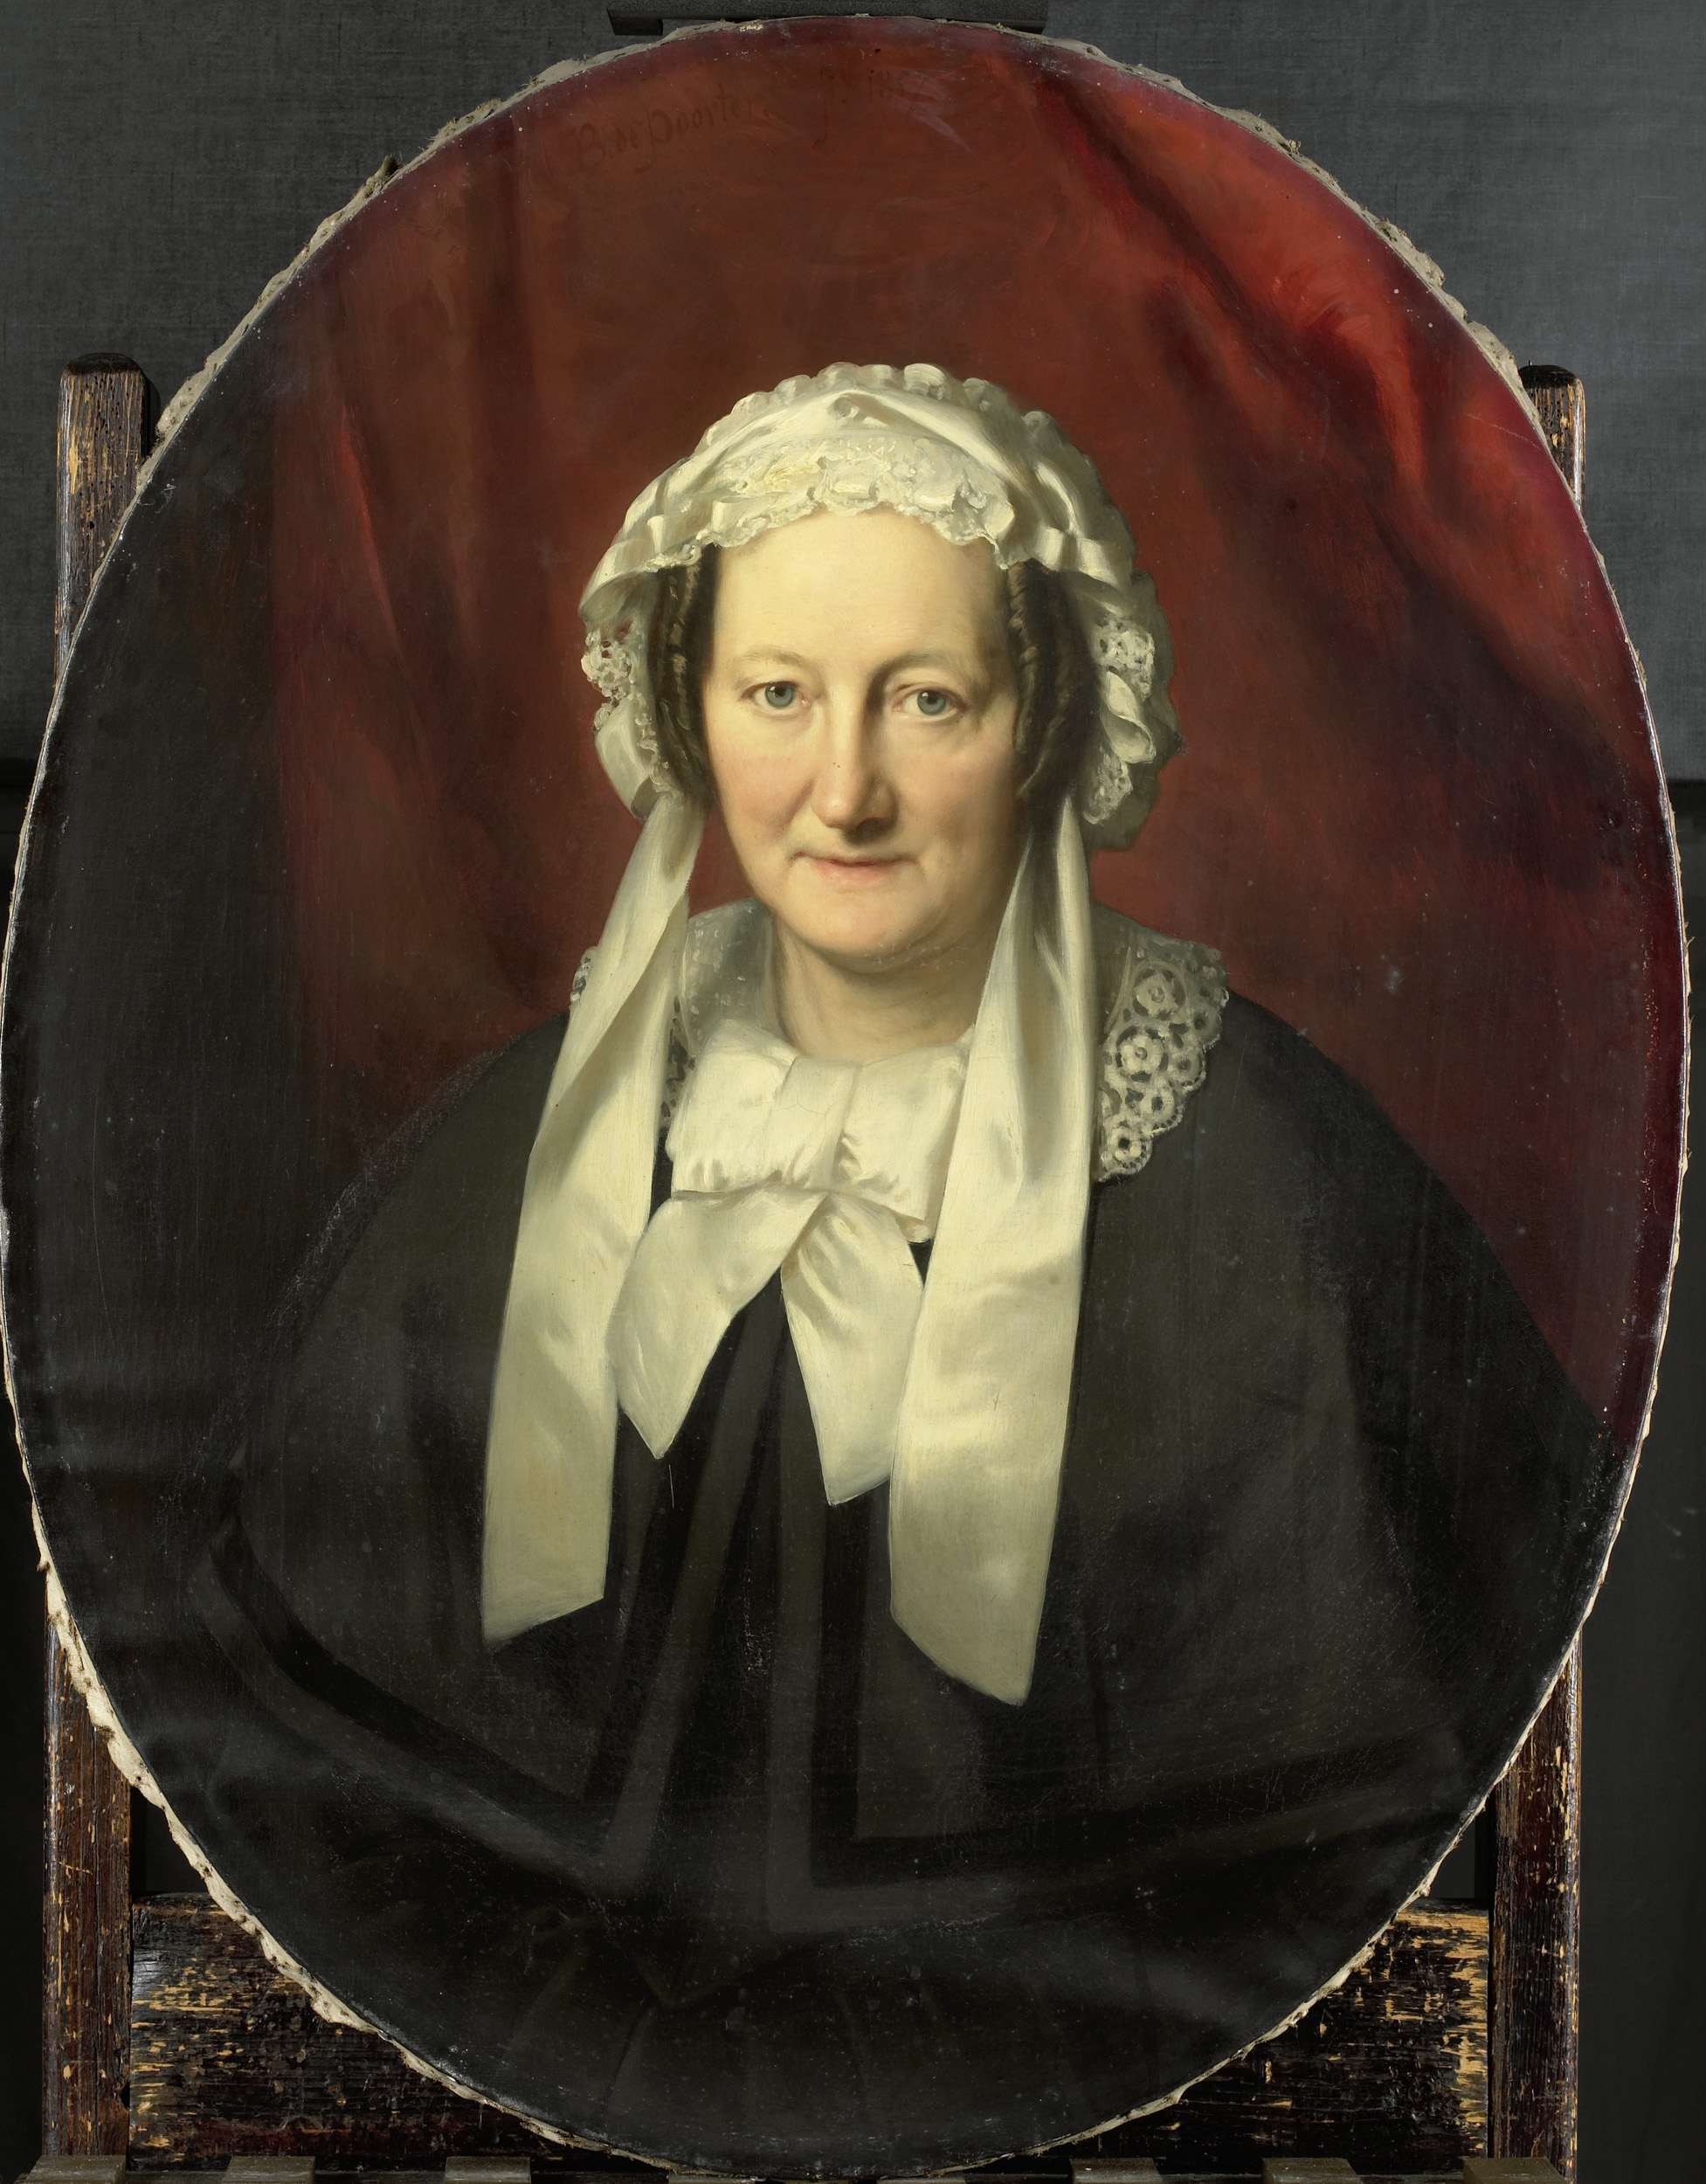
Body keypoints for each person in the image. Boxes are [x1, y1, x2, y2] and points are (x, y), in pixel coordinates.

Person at [194, 364, 1616, 2167]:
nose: (844, 789)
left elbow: (1355, 1841)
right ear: (684, 709)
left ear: (1046, 719)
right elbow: (312, 1782)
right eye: (776, 693)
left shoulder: (1273, 1175)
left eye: (926, 698)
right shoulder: (522, 1147)